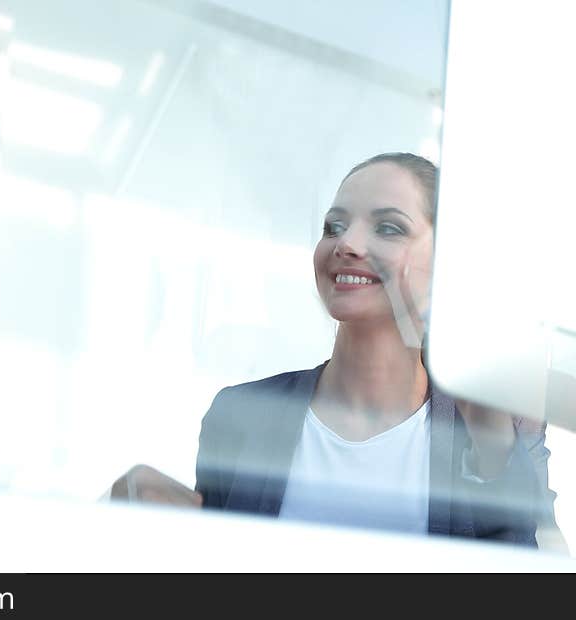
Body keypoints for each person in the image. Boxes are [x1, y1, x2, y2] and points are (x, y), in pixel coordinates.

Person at [112, 152, 561, 548]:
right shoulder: (239, 413)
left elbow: (520, 563)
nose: (346, 243)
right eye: (335, 226)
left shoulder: (489, 424)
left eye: (388, 227)